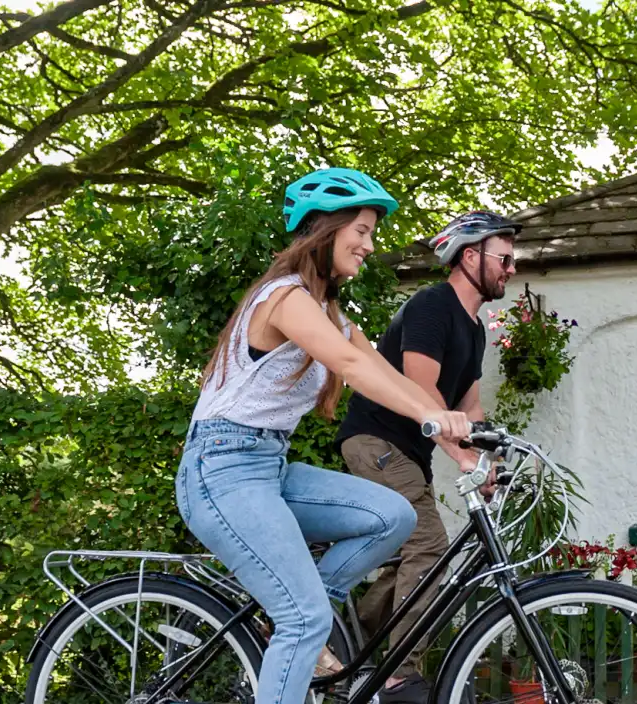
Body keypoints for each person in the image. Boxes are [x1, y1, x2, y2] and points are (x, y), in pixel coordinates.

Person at [177, 167, 472, 704]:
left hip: (270, 468)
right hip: (220, 469)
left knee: (394, 517)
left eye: (370, 233)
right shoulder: (285, 297)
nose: (368, 244)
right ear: (323, 229)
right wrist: (434, 418)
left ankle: (299, 610)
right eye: (360, 230)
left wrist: (459, 443)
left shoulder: (328, 313)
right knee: (305, 620)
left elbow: (383, 372)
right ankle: (300, 621)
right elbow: (347, 366)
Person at [335, 210, 520, 703]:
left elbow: (468, 404)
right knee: (431, 546)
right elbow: (422, 387)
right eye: (505, 258)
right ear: (470, 256)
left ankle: (343, 645)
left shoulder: (474, 328)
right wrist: (459, 455)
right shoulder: (431, 305)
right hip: (376, 441)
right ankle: (397, 676)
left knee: (407, 566)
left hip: (405, 451)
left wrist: (487, 458)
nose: (511, 268)